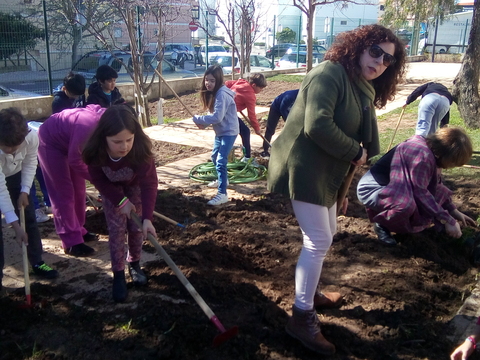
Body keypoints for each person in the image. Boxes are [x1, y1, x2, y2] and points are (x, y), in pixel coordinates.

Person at [267, 24, 407, 355]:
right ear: (358, 47)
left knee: (327, 231)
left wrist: (342, 192)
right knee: (317, 240)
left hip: (327, 172)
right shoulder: (329, 73)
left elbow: (355, 149)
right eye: (376, 51)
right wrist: (355, 153)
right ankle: (301, 316)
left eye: (388, 60)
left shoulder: (361, 86)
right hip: (303, 168)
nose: (380, 62)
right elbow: (318, 125)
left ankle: (309, 291)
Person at [83, 104, 158, 303]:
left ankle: (134, 263)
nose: (124, 146)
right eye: (117, 142)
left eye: (128, 140)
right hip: (110, 189)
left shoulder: (140, 150)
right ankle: (118, 274)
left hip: (134, 186)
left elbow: (149, 183)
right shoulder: (94, 153)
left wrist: (147, 218)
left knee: (136, 227)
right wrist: (119, 200)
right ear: (104, 138)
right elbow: (99, 180)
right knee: (116, 230)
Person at [357, 127, 476, 246]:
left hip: (394, 188)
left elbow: (436, 186)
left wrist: (453, 211)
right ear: (444, 153)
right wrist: (447, 219)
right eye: (453, 163)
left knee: (439, 192)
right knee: (406, 205)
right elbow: (419, 192)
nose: (451, 167)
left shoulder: (432, 151)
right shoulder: (422, 156)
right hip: (373, 189)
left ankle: (400, 225)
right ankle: (382, 225)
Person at [0, 108, 58, 292]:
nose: (10, 151)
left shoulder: (31, 137)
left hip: (16, 175)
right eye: (6, 147)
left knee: (29, 217)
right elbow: (1, 190)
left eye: (14, 148)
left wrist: (25, 190)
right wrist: (16, 226)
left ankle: (37, 262)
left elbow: (31, 161)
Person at [37, 105, 106, 257]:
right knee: (63, 193)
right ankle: (71, 241)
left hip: (70, 141)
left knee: (79, 189)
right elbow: (76, 160)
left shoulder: (108, 125)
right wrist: (99, 181)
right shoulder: (87, 126)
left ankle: (78, 229)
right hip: (51, 142)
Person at [192, 65, 239, 206]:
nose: (208, 83)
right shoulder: (215, 93)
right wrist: (205, 123)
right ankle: (222, 179)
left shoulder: (222, 94)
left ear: (218, 80)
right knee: (214, 157)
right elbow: (214, 116)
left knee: (220, 160)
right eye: (207, 80)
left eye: (212, 80)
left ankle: (222, 193)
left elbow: (217, 117)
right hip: (221, 131)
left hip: (229, 132)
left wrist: (199, 119)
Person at [225, 73, 267, 164]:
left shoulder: (241, 82)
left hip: (224, 109)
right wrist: (257, 128)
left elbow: (227, 83)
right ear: (254, 85)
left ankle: (227, 154)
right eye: (260, 88)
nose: (261, 90)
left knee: (238, 131)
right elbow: (251, 114)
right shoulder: (250, 95)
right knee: (245, 131)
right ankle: (247, 157)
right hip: (227, 113)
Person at [261, 89, 299, 158]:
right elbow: (283, 109)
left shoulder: (303, 98)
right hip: (276, 107)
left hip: (289, 109)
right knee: (270, 129)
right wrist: (288, 121)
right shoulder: (290, 96)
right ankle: (265, 150)